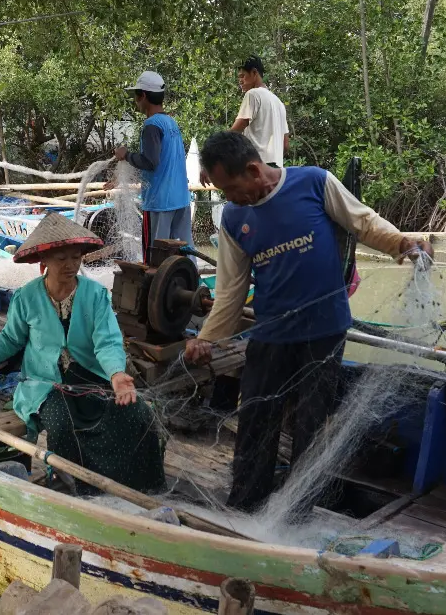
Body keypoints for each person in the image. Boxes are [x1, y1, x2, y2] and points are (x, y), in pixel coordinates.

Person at [183, 131, 432, 512]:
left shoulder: (314, 182)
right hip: (270, 334)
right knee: (256, 418)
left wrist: (402, 244)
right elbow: (231, 291)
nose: (230, 198)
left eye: (231, 188)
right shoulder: (234, 218)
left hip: (324, 330)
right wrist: (208, 339)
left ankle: (296, 513)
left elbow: (363, 223)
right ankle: (246, 506)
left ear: (253, 169)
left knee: (310, 425)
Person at [0, 213, 166, 493]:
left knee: (136, 413)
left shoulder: (95, 295)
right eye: (62, 258)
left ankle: (136, 489)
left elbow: (107, 342)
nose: (71, 265)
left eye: (76, 257)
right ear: (43, 261)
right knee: (61, 424)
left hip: (91, 377)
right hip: (44, 384)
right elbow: (11, 339)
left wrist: (118, 375)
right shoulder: (26, 296)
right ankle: (73, 491)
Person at [114, 71, 192, 263]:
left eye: (136, 97)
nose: (135, 102)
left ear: (144, 96)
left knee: (156, 259)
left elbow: (150, 162)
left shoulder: (151, 125)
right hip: (181, 199)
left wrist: (126, 156)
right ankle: (192, 287)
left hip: (159, 203)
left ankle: (156, 293)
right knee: (184, 254)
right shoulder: (170, 122)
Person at [230, 56, 290, 167]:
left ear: (254, 72)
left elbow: (235, 131)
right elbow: (285, 145)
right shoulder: (279, 103)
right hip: (276, 171)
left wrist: (216, 150)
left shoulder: (253, 94)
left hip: (256, 168)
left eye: (242, 76)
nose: (240, 81)